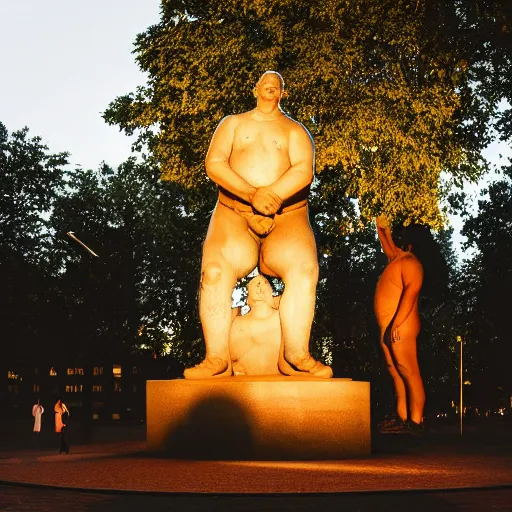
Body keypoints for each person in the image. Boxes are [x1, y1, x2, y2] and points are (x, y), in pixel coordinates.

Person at [184, 71, 332, 380]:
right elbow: (215, 163)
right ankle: (216, 357)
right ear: (255, 89)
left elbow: (304, 170)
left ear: (283, 93)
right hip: (234, 212)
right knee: (213, 272)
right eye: (266, 80)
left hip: (287, 216)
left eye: (278, 82)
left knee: (305, 270)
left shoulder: (296, 131)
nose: (271, 83)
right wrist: (252, 194)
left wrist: (275, 195)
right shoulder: (233, 124)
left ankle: (296, 353)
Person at [374, 216, 425, 435]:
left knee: (409, 371)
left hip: (401, 325)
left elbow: (410, 292)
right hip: (388, 326)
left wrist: (398, 322)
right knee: (394, 372)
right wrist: (380, 225)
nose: (393, 241)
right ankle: (402, 418)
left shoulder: (411, 263)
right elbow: (387, 246)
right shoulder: (395, 260)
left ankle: (416, 421)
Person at [229, 274, 282, 376]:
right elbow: (232, 357)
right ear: (247, 297)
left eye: (265, 283)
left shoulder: (282, 317)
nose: (261, 286)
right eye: (256, 284)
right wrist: (234, 366)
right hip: (248, 384)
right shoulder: (239, 322)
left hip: (280, 382)